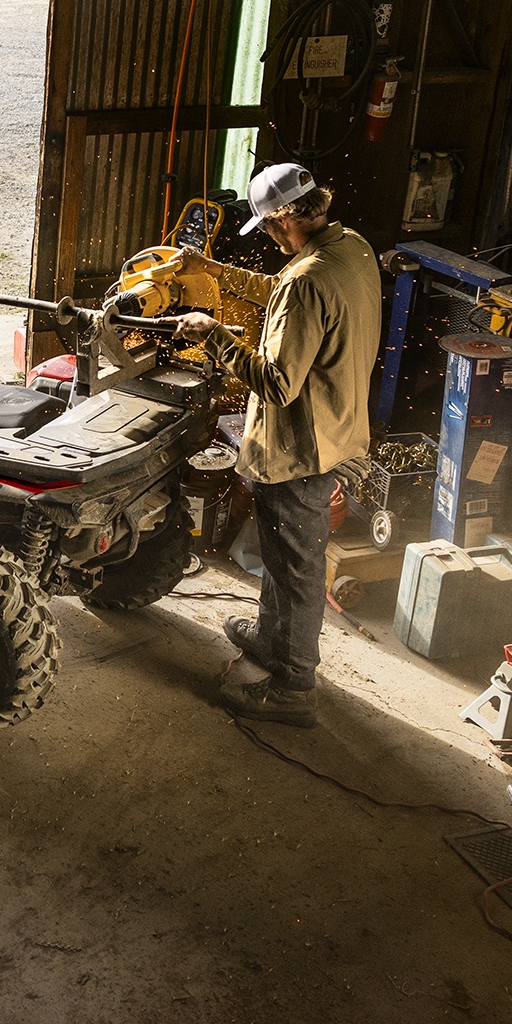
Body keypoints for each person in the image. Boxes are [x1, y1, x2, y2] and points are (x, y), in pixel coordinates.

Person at [171, 163, 382, 728]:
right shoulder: (351, 248)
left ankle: (293, 686)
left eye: (267, 228)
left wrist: (213, 334)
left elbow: (275, 381)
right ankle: (270, 639)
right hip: (336, 429)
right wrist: (211, 270)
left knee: (296, 569)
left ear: (285, 220)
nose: (268, 237)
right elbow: (286, 293)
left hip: (298, 449)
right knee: (283, 555)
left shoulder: (306, 280)